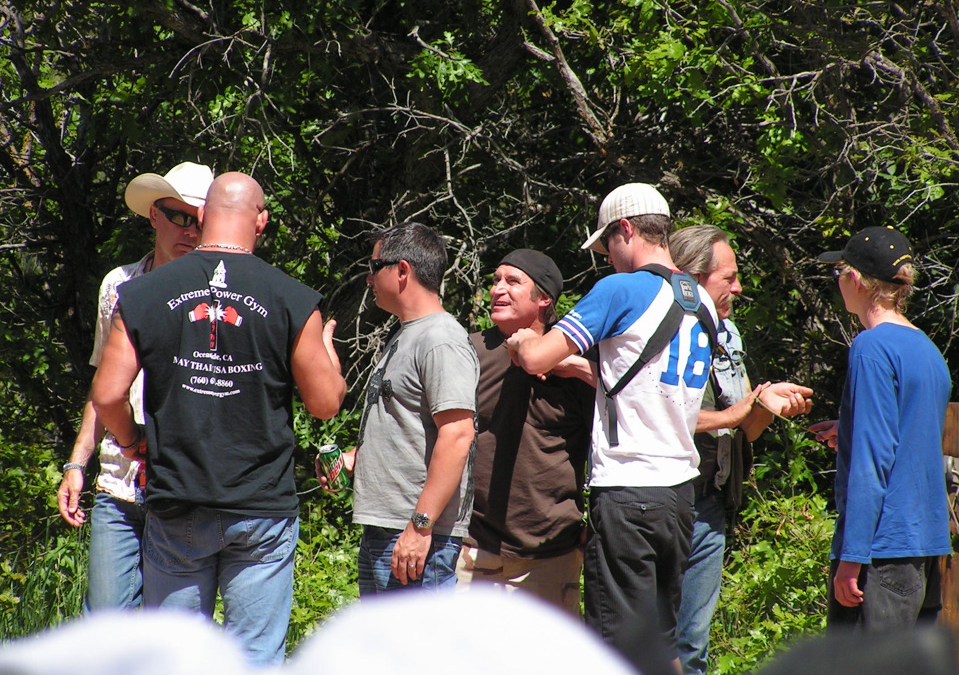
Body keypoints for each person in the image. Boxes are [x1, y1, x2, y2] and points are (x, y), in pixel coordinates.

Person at [90, 172, 346, 665]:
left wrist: (132, 440)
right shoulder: (292, 298)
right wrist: (329, 359)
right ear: (262, 221)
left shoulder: (141, 293)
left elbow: (106, 393)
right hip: (261, 506)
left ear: (204, 216)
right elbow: (325, 403)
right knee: (255, 657)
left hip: (178, 497)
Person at [507, 183, 717, 675]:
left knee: (614, 648)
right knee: (663, 642)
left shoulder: (621, 289)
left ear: (626, 229)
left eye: (608, 248)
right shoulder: (700, 299)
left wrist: (521, 342)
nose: (608, 261)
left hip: (626, 491)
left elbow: (538, 356)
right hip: (679, 494)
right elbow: (639, 376)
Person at [57, 161, 213, 611]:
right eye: (179, 215)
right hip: (118, 484)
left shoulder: (218, 293)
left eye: (200, 220)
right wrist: (76, 463)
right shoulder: (118, 286)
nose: (189, 229)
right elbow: (103, 386)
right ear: (153, 215)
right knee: (106, 623)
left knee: (172, 633)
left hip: (186, 486)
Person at [669, 224, 814, 675]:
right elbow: (662, 416)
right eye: (728, 278)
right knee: (648, 639)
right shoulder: (662, 330)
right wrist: (741, 412)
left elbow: (743, 432)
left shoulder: (728, 334)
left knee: (692, 642)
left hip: (711, 503)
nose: (739, 287)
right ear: (690, 278)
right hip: (661, 503)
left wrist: (768, 405)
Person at [816, 226, 951, 630]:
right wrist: (850, 425)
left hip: (881, 549)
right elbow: (913, 431)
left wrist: (851, 557)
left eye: (839, 272)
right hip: (924, 544)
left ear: (855, 279)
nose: (838, 283)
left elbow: (873, 461)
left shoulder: (871, 347)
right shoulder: (926, 348)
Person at [456, 249, 595, 614]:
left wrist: (595, 523)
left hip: (549, 553)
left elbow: (616, 439)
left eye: (512, 281)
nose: (497, 289)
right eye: (495, 280)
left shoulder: (578, 360)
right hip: (472, 547)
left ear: (544, 298)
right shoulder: (468, 351)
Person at [345, 222, 479, 593]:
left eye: (374, 268)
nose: (369, 280)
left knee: (416, 652)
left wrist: (420, 527)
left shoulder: (440, 339)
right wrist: (361, 455)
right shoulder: (407, 333)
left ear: (402, 270)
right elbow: (415, 425)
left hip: (417, 536)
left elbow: (457, 434)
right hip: (390, 529)